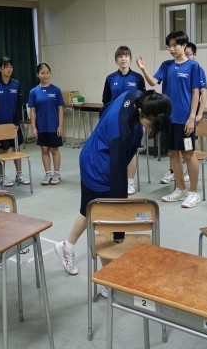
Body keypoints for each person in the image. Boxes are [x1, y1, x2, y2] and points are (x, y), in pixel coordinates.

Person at [54, 90, 171, 278]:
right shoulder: (120, 133)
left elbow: (105, 109)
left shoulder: (135, 95)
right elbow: (118, 179)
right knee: (108, 219)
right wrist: (119, 230)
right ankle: (107, 279)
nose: (152, 127)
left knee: (89, 209)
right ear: (140, 111)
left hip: (97, 151)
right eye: (151, 123)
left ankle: (66, 246)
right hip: (98, 165)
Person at [136, 31, 202, 208]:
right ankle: (180, 189)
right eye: (169, 46)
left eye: (175, 45)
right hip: (168, 120)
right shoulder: (166, 65)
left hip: (185, 122)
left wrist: (192, 117)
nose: (171, 49)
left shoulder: (193, 67)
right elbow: (153, 82)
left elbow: (196, 93)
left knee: (188, 154)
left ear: (184, 45)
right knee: (172, 153)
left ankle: (194, 192)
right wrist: (143, 68)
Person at [159, 42, 207, 185]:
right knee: (173, 151)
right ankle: (174, 174)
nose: (185, 56)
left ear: (194, 55)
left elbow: (202, 94)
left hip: (188, 118)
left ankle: (190, 177)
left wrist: (198, 114)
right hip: (172, 119)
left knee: (188, 150)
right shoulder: (170, 66)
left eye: (188, 54)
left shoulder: (197, 68)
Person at [102, 46, 146, 195]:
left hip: (132, 121)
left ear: (130, 59)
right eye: (120, 56)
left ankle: (130, 182)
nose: (123, 59)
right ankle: (116, 180)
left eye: (126, 56)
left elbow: (143, 101)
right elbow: (106, 101)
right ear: (116, 59)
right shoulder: (110, 78)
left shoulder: (138, 78)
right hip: (114, 121)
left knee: (131, 151)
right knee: (114, 150)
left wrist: (142, 121)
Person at [0, 56, 30, 187]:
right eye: (6, 67)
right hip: (0, 125)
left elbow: (18, 105)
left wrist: (17, 122)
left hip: (13, 125)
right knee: (3, 150)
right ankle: (2, 177)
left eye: (11, 67)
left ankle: (19, 174)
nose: (9, 69)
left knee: (16, 149)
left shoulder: (16, 84)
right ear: (0, 69)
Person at [28, 63, 64, 185]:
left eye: (47, 72)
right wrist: (33, 127)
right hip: (41, 126)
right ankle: (48, 173)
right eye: (42, 73)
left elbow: (60, 109)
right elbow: (32, 111)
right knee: (44, 150)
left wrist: (60, 125)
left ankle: (56, 173)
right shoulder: (33, 92)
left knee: (54, 149)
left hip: (54, 126)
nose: (45, 75)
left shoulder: (56, 90)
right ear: (38, 75)